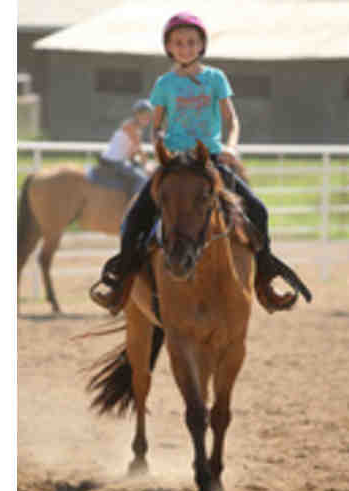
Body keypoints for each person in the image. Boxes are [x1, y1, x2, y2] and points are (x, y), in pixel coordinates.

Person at [90, 11, 309, 315]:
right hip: (175, 163)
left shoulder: (216, 78)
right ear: (169, 47)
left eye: (191, 42)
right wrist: (159, 146)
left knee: (258, 210)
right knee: (134, 217)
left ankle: (264, 281)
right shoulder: (164, 84)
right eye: (178, 42)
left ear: (202, 45)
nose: (185, 48)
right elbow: (157, 126)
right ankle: (121, 284)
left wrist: (231, 147)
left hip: (211, 162)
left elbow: (232, 120)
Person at [97, 99, 154, 197]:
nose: (147, 118)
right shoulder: (130, 126)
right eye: (144, 115)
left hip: (119, 161)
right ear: (137, 115)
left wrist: (138, 162)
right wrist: (147, 164)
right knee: (142, 178)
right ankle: (135, 203)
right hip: (113, 161)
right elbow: (139, 148)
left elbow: (131, 153)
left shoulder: (138, 130)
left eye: (149, 116)